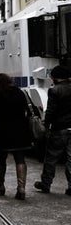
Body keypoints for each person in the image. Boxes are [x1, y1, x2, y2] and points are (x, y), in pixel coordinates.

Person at [0, 73, 32, 200]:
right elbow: (27, 110)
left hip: (3, 130)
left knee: (1, 159)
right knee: (20, 158)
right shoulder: (19, 92)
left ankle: (0, 186)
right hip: (20, 130)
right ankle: (21, 188)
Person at [34, 65, 71, 196]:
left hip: (59, 129)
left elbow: (51, 111)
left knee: (51, 158)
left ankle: (46, 184)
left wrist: (46, 124)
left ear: (55, 77)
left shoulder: (55, 91)